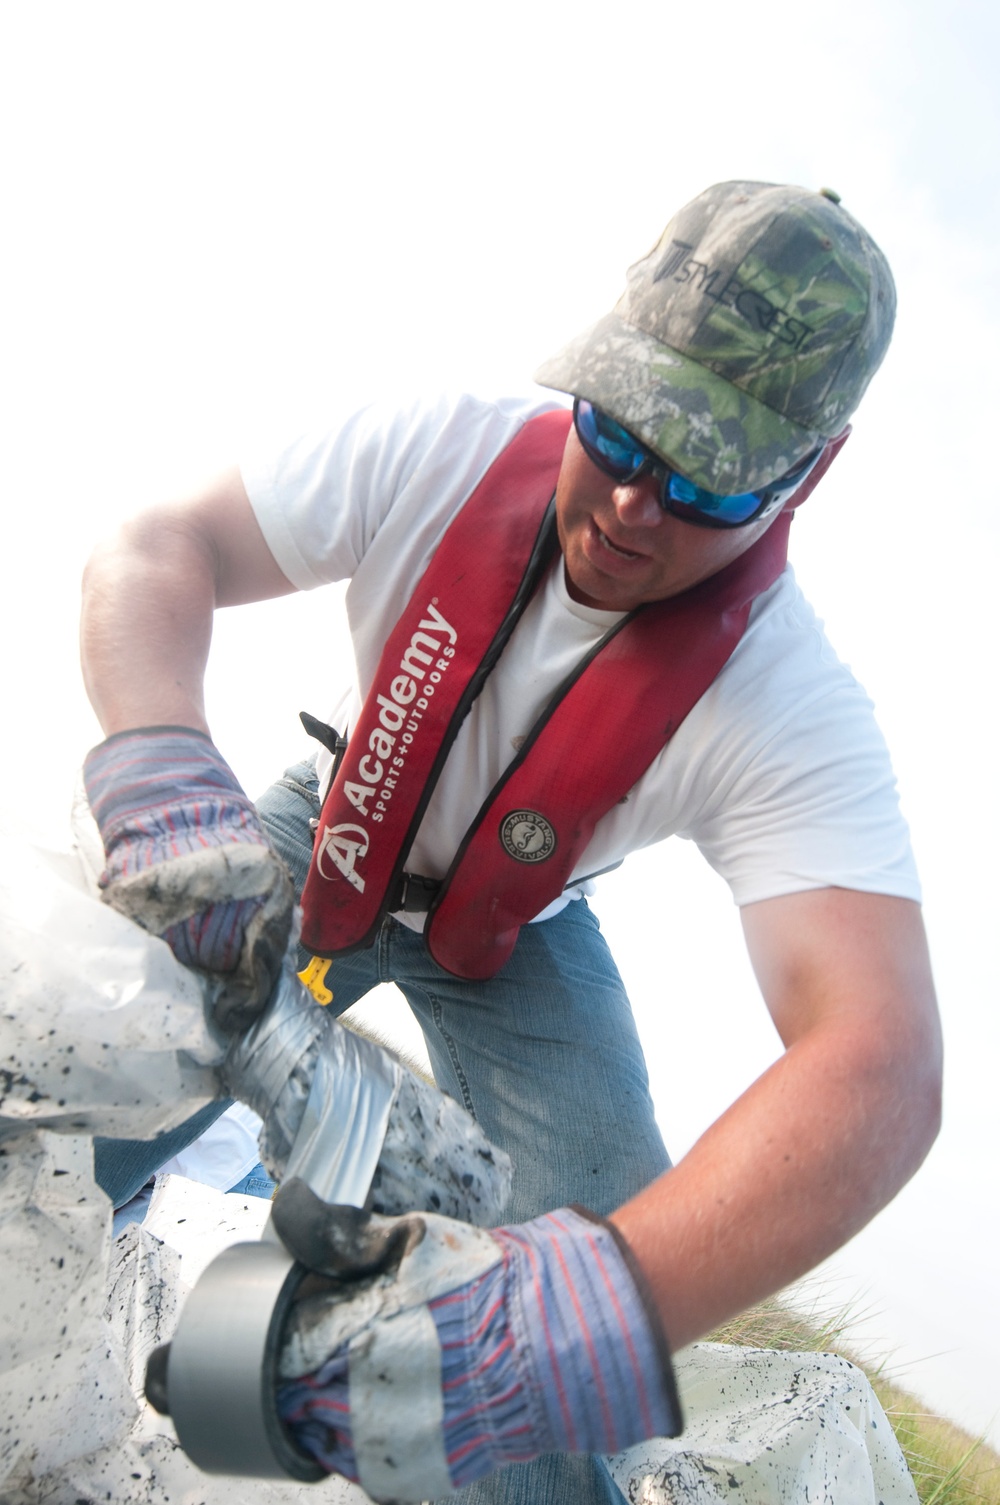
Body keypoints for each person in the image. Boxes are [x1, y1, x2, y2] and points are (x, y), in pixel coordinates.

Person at [79, 181, 942, 1505]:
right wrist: (160, 770)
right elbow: (159, 543)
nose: (634, 506)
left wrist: (556, 1322)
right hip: (313, 842)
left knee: (595, 1251)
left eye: (705, 478)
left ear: (804, 477)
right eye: (621, 429)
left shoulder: (786, 698)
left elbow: (880, 1063)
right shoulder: (441, 444)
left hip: (519, 937)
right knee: (76, 1083)